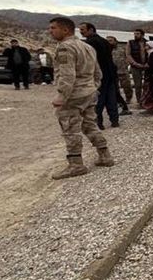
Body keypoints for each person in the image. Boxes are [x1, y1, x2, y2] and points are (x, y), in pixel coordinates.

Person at [47, 17, 114, 179]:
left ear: (65, 30)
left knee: (70, 129)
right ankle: (105, 155)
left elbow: (67, 75)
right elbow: (98, 72)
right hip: (88, 93)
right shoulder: (87, 46)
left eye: (53, 28)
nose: (50, 31)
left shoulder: (65, 48)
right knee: (90, 125)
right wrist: (94, 88)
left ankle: (76, 165)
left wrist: (62, 96)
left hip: (73, 95)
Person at [79, 22, 119, 129]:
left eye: (83, 29)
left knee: (98, 99)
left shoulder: (89, 43)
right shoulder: (105, 41)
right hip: (110, 73)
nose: (81, 32)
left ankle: (98, 122)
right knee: (111, 98)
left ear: (91, 29)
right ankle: (114, 121)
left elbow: (89, 61)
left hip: (98, 74)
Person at [106, 36, 132, 115]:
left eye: (111, 41)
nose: (109, 42)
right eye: (108, 41)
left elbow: (128, 57)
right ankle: (118, 102)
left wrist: (126, 65)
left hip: (123, 70)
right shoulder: (107, 50)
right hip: (113, 73)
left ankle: (128, 98)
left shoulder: (122, 48)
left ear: (115, 41)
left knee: (127, 86)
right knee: (115, 89)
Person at [126, 29, 148, 101]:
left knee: (147, 84)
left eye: (137, 34)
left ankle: (146, 100)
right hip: (135, 66)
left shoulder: (147, 43)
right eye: (135, 34)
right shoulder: (130, 42)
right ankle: (139, 100)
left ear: (142, 34)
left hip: (147, 66)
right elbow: (128, 54)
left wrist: (148, 64)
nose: (135, 35)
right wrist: (135, 64)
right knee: (138, 85)